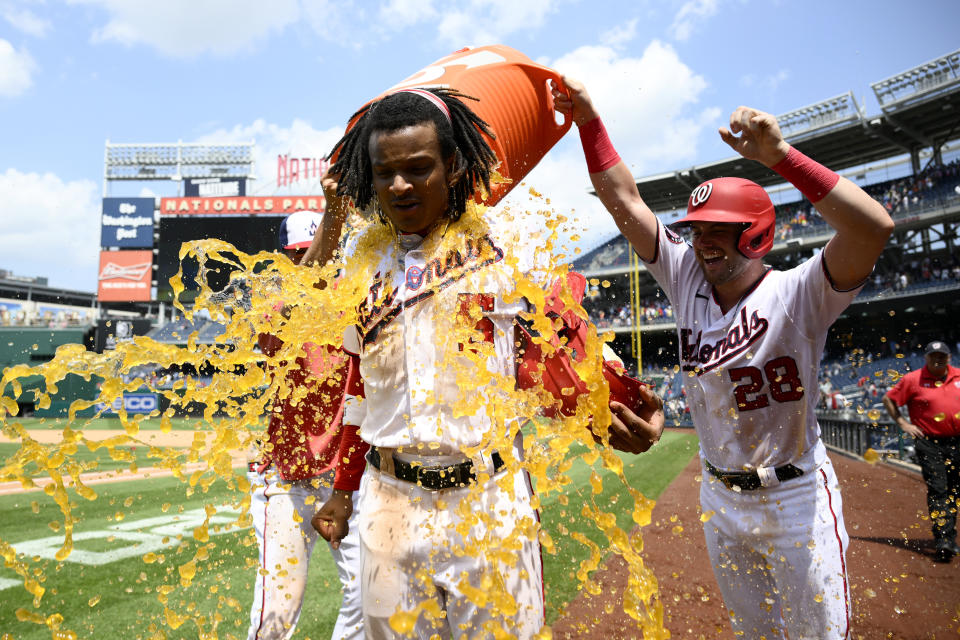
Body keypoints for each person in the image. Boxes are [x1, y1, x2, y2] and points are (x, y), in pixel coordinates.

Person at [303, 87, 666, 639]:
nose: (399, 186)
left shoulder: (506, 242)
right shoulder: (361, 260)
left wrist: (621, 402)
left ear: (453, 166)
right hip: (389, 501)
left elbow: (568, 338)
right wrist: (344, 487)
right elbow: (358, 387)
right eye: (384, 173)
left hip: (489, 496)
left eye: (418, 168)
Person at [554, 77, 894, 639]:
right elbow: (625, 200)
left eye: (721, 231)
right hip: (721, 495)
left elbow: (874, 226)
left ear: (756, 235)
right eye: (697, 230)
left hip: (794, 495)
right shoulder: (686, 274)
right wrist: (590, 121)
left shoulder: (800, 293)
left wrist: (782, 157)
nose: (703, 241)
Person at [245, 210, 363, 640]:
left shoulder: (356, 301)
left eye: (314, 253)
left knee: (371, 599)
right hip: (287, 477)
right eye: (299, 254)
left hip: (346, 479)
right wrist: (334, 215)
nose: (310, 262)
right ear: (284, 259)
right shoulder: (275, 306)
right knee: (275, 616)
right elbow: (300, 292)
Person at [882, 340, 960, 563]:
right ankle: (943, 539)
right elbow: (888, 399)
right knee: (938, 488)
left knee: (954, 490)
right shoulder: (913, 379)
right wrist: (903, 424)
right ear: (926, 358)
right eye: (933, 356)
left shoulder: (958, 376)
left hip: (957, 442)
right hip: (929, 442)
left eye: (942, 356)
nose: (938, 359)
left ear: (949, 358)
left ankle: (948, 534)